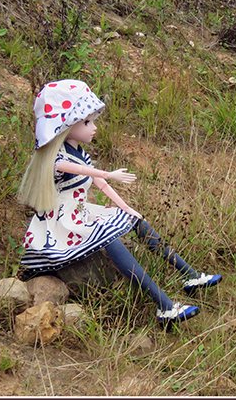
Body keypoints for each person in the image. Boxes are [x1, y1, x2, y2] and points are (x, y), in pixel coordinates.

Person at [17, 79, 221, 327]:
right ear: (66, 125)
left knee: (134, 219)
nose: (93, 128)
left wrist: (125, 206)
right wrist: (107, 173)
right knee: (107, 235)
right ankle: (165, 305)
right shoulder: (56, 157)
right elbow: (73, 170)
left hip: (80, 214)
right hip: (62, 223)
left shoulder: (80, 153)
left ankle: (189, 275)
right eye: (86, 122)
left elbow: (101, 185)